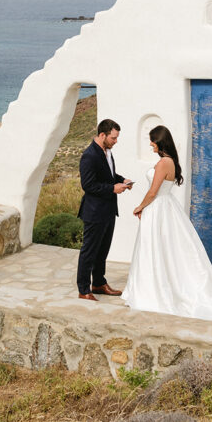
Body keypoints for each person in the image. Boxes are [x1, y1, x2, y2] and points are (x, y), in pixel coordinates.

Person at [122, 125, 212, 323]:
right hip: (165, 207)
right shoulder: (171, 162)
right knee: (164, 249)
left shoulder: (163, 164)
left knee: (156, 249)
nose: (150, 144)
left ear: (159, 141)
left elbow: (153, 192)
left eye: (152, 140)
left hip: (158, 208)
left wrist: (139, 207)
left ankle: (153, 290)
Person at [77, 118, 132, 301]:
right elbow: (88, 185)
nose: (116, 141)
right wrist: (112, 188)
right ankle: (84, 290)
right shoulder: (89, 155)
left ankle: (99, 283)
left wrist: (122, 180)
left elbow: (109, 175)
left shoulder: (107, 152)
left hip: (108, 210)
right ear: (103, 135)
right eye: (113, 138)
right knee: (89, 251)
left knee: (102, 251)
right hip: (94, 212)